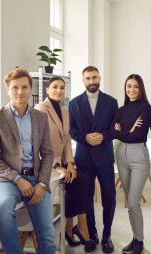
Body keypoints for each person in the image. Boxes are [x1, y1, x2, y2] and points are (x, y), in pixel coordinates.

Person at [0, 68, 56, 254]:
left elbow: (48, 154)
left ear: (30, 89)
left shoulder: (40, 117)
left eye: (25, 87)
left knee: (48, 234)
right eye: (15, 87)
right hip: (7, 180)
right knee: (3, 209)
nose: (20, 92)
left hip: (35, 178)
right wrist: (17, 179)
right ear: (8, 90)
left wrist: (41, 183)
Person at [35, 77, 95, 252]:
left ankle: (71, 229)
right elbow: (38, 143)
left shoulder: (64, 111)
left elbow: (67, 140)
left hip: (62, 161)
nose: (58, 91)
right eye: (55, 87)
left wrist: (70, 163)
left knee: (80, 179)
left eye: (62, 88)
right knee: (79, 182)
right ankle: (79, 230)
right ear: (47, 89)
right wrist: (56, 166)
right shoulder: (40, 109)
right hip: (46, 163)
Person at [69, 66, 118, 253]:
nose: (91, 81)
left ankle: (107, 236)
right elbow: (71, 129)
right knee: (86, 200)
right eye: (88, 78)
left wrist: (104, 136)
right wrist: (85, 137)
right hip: (84, 159)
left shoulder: (112, 102)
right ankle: (92, 234)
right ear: (83, 80)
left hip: (104, 157)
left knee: (110, 199)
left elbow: (115, 128)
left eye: (94, 78)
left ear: (100, 78)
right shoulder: (73, 104)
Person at [109, 74, 151, 254]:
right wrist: (129, 130)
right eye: (129, 86)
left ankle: (140, 241)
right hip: (121, 154)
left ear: (140, 88)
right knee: (129, 201)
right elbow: (112, 131)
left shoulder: (146, 108)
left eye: (135, 86)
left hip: (138, 156)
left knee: (134, 201)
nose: (132, 90)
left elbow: (138, 135)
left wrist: (124, 132)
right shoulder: (121, 109)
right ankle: (135, 238)